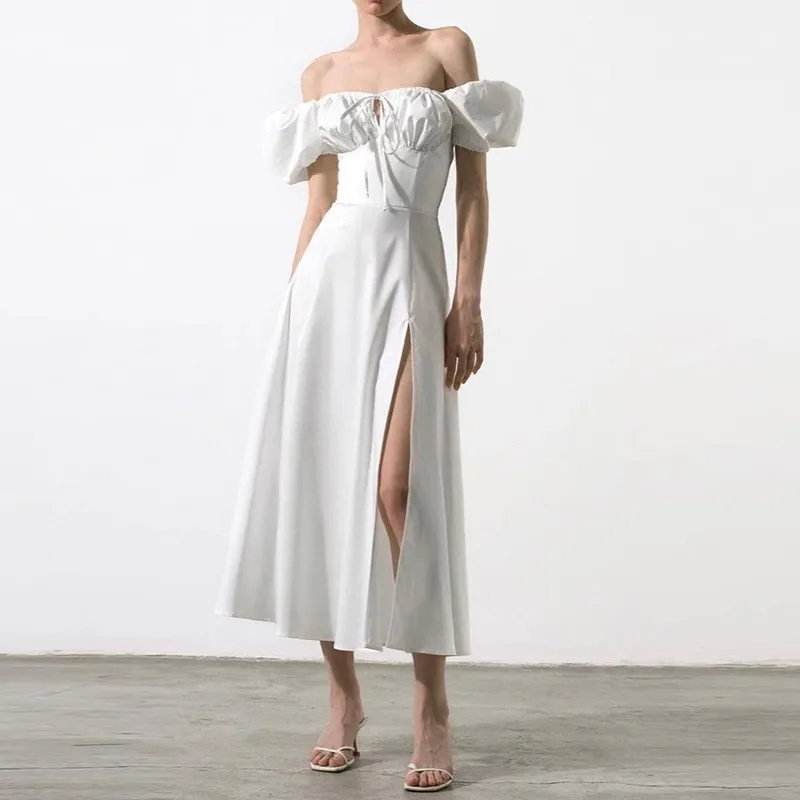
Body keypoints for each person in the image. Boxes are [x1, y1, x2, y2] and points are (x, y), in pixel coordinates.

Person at [215, 0, 523, 792]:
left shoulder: (447, 46)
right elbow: (318, 206)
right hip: (326, 292)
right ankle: (343, 699)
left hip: (412, 277)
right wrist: (291, 317)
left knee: (398, 490)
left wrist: (468, 299)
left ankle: (431, 706)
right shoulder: (321, 73)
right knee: (325, 491)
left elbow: (473, 190)